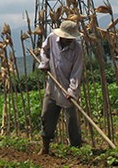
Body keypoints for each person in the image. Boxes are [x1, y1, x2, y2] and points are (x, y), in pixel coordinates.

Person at [37, 19, 84, 155]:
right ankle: (45, 148)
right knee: (47, 116)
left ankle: (76, 149)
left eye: (71, 38)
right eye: (66, 38)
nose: (69, 40)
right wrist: (45, 64)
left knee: (72, 121)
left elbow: (76, 72)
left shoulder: (77, 50)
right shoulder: (51, 39)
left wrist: (72, 91)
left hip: (68, 89)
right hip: (53, 85)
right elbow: (44, 51)